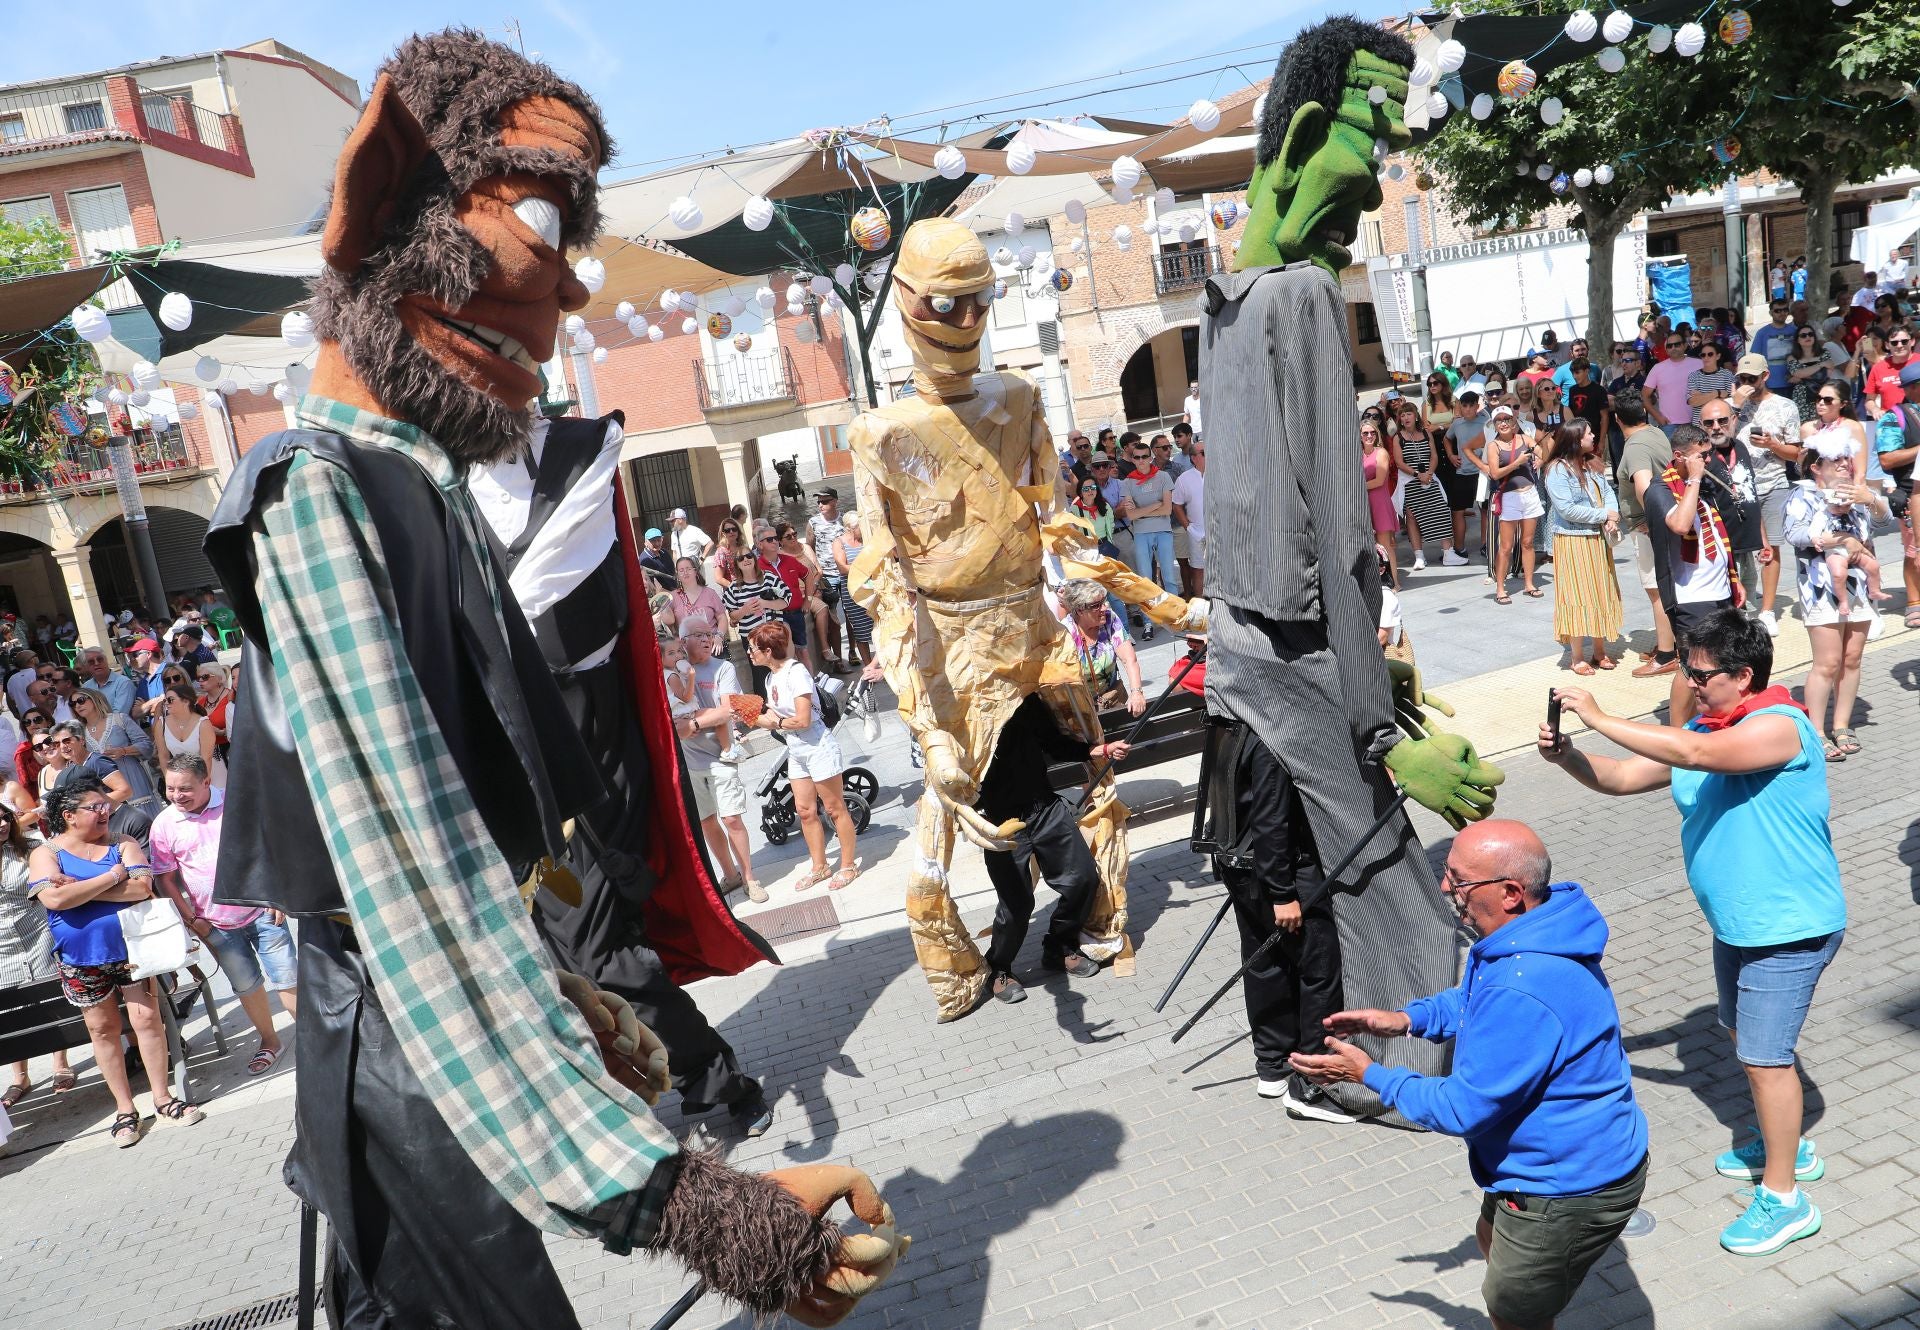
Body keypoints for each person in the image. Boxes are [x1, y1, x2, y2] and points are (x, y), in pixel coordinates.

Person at [202, 33, 905, 1325]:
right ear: (382, 211)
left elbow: (463, 835)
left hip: (428, 1044)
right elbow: (409, 885)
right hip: (396, 1062)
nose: (569, 292)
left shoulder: (425, 488)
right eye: (537, 222)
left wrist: (561, 992)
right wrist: (698, 1207)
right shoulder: (317, 492)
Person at [1543, 609, 1843, 1257]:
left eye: (1700, 673)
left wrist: (1598, 714)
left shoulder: (1778, 728)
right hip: (1738, 925)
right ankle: (1784, 1141)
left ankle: (1785, 1198)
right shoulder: (1712, 726)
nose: (1690, 682)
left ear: (1743, 675)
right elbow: (1624, 777)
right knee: (1747, 1041)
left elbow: (1697, 752)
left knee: (1765, 1060)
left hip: (1789, 927)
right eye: (1686, 667)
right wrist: (1569, 754)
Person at [1293, 819, 1648, 1321]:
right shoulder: (1536, 933)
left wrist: (1370, 1075)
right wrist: (1407, 1020)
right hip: (1541, 1166)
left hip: (1565, 1184)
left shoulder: (1525, 983)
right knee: (1489, 1237)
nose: (1445, 888)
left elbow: (1462, 1108)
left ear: (1509, 892)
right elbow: (1474, 1000)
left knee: (1512, 1312)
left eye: (1458, 880)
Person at [28, 775, 204, 1147]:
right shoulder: (47, 853)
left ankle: (163, 1098)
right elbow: (55, 901)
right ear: (69, 815)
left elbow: (142, 889)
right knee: (103, 1031)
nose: (106, 811)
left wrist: (76, 888)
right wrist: (112, 876)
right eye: (96, 807)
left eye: (106, 805)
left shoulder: (122, 842)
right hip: (80, 959)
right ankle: (125, 1110)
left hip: (132, 953)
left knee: (147, 1021)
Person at [1209, 719, 1355, 1123]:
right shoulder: (1273, 734)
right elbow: (1270, 820)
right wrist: (1283, 893)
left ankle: (1274, 1064)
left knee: (1266, 963)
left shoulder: (1236, 721)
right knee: (1319, 966)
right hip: (1276, 869)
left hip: (1240, 863)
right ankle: (1312, 1082)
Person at [150, 754, 298, 1077]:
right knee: (246, 985)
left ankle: (315, 1042)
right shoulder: (163, 824)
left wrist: (277, 892)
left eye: (185, 788)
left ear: (206, 782)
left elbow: (268, 845)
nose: (176, 796)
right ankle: (270, 1041)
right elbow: (164, 878)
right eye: (171, 788)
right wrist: (191, 919)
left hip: (262, 908)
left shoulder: (235, 802)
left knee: (288, 976)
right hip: (215, 923)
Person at [1784, 441, 1889, 758]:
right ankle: (1816, 731)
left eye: (1847, 458)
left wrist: (1871, 498)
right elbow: (1794, 533)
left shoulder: (1855, 495)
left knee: (1851, 658)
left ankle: (1842, 724)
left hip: (1858, 586)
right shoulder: (1802, 495)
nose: (1845, 463)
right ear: (1816, 467)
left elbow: (1882, 522)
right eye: (1836, 459)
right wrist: (1837, 539)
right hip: (1819, 587)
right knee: (1827, 662)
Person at [746, 622, 859, 892]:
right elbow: (775, 717)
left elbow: (803, 720)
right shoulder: (770, 677)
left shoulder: (795, 673)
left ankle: (848, 865)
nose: (750, 653)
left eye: (753, 649)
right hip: (797, 750)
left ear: (768, 651)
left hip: (818, 747)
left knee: (834, 808)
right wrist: (749, 716)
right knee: (805, 811)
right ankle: (820, 866)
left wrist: (775, 724)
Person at [1646, 424, 1740, 726]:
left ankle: (1716, 718)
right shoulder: (1659, 490)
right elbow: (1681, 525)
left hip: (1721, 591)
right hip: (1690, 596)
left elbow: (1716, 532)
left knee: (1723, 660)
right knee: (1691, 665)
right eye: (1700, 456)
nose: (1707, 461)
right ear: (1679, 456)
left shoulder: (1703, 486)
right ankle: (1677, 732)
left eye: (1708, 454)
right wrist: (1695, 479)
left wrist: (1732, 580)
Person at [677, 615, 761, 904]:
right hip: (690, 761)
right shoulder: (673, 672)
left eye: (709, 633)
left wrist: (693, 725)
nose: (705, 638)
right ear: (682, 641)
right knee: (707, 821)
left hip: (721, 756)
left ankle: (749, 877)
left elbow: (729, 711)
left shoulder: (722, 668)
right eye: (697, 634)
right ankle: (730, 874)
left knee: (732, 818)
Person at [0, 803, 75, 1104]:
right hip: (1, 940)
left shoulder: (32, 848)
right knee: (11, 1003)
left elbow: (54, 879)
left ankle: (61, 1063)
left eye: (4, 817)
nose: (2, 824)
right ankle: (20, 1076)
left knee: (53, 993)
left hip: (38, 928)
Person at [1543, 422, 1622, 674]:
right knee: (1576, 595)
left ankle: (1600, 651)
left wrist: (1612, 517)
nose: (1593, 435)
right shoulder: (1556, 470)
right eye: (1588, 433)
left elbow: (1608, 492)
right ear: (1576, 439)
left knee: (1601, 591)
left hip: (1597, 538)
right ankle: (1577, 657)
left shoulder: (1592, 463)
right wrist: (1603, 515)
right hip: (1572, 539)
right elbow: (1566, 509)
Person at [1614, 391, 1679, 678]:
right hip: (1666, 518)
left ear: (1618, 420)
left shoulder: (1635, 447)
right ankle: (1672, 643)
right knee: (1667, 586)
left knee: (1656, 590)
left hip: (1649, 526)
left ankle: (1666, 655)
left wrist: (1653, 522)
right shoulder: (1656, 433)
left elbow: (1642, 483)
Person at [1873, 359, 1920, 628]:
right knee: (1914, 548)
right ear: (1913, 388)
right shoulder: (1895, 417)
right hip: (1910, 491)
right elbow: (1888, 459)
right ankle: (1914, 601)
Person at [1058, 578, 1144, 716]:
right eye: (1096, 605)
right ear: (1080, 610)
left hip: (1113, 698)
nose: (1104, 608)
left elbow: (1129, 660)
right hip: (1082, 710)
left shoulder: (1110, 619)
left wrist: (1137, 692)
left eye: (1103, 602)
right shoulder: (1065, 632)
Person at [1119, 430, 1179, 622]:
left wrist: (1142, 511)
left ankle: (1176, 616)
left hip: (1163, 531)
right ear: (1133, 460)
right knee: (1145, 580)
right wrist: (1155, 504)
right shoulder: (1128, 482)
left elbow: (1167, 510)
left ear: (1151, 457)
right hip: (1141, 533)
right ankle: (1148, 621)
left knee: (1169, 577)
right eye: (1137, 457)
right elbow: (1130, 514)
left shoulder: (1163, 477)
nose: (1141, 460)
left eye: (1145, 456)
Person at [70, 686, 157, 817]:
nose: (77, 705)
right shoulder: (79, 733)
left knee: (145, 817)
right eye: (73, 703)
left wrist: (124, 750)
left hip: (131, 776)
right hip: (104, 786)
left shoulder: (120, 719)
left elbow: (146, 745)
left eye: (81, 700)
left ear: (94, 699)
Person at [1485, 408, 1542, 603]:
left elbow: (1544, 452)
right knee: (1506, 546)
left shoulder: (1525, 439)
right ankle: (1500, 588)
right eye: (1498, 420)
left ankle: (1529, 583)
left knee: (1527, 542)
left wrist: (1540, 461)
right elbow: (1495, 473)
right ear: (1494, 424)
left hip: (1530, 495)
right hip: (1509, 497)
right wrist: (1517, 462)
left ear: (1513, 421)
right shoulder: (1493, 446)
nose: (1503, 423)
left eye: (1506, 419)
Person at [721, 544, 790, 696]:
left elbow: (786, 601)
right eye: (741, 558)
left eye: (749, 556)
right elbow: (732, 616)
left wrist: (765, 603)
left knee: (781, 670)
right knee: (760, 675)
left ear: (754, 558)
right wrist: (745, 609)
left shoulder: (769, 578)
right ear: (736, 564)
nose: (745, 560)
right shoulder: (733, 588)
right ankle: (765, 709)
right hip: (751, 639)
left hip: (774, 635)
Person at [1393, 401, 1447, 575]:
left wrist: (1429, 473)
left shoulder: (1425, 433)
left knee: (1441, 509)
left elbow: (1434, 455)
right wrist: (1418, 475)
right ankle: (1419, 555)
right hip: (1410, 481)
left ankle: (1448, 552)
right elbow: (1399, 463)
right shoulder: (1398, 437)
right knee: (1412, 515)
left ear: (1415, 416)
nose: (1406, 417)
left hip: (1429, 478)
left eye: (1408, 414)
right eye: (1402, 415)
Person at [1441, 389, 1487, 564]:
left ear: (1477, 406)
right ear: (1460, 406)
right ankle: (1459, 548)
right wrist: (1451, 455)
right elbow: (1446, 439)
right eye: (1464, 405)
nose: (1467, 409)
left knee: (1485, 510)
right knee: (1457, 511)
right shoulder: (1457, 424)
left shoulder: (1486, 422)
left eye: (1471, 405)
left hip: (1482, 473)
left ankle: (1485, 545)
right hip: (1462, 473)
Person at [767, 525, 818, 672]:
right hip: (777, 616)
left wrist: (808, 600)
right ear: (760, 544)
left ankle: (812, 689)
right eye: (770, 539)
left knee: (803, 652)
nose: (774, 542)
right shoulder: (759, 566)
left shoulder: (788, 560)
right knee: (786, 656)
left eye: (775, 539)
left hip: (796, 613)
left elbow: (808, 575)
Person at [152, 683, 219, 785]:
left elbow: (207, 757)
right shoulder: (161, 725)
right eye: (165, 700)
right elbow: (163, 756)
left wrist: (203, 783)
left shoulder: (203, 723)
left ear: (186, 701)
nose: (166, 703)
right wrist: (171, 783)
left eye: (170, 700)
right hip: (182, 779)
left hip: (210, 774)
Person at [1362, 417, 1402, 588]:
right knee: (1369, 546)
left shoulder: (1381, 453)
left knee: (1385, 546)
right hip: (1364, 504)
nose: (1369, 436)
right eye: (1365, 433)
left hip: (1379, 502)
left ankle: (1395, 583)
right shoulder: (1357, 453)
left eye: (1372, 432)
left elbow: (1379, 480)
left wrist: (1356, 487)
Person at [830, 514, 874, 666]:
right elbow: (842, 568)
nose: (864, 529)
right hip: (853, 593)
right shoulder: (839, 543)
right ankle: (868, 666)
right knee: (860, 628)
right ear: (850, 528)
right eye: (860, 526)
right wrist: (866, 569)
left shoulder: (866, 538)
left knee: (879, 625)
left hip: (873, 589)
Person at [1171, 434, 1208, 595]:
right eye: (1204, 453)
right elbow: (1176, 505)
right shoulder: (1184, 479)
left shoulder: (1220, 474)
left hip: (1220, 530)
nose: (1209, 455)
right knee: (1198, 570)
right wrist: (1188, 527)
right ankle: (1201, 608)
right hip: (1197, 533)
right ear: (1194, 458)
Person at [1645, 333, 1700, 435]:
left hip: (1697, 422)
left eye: (1677, 344)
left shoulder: (1699, 364)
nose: (1673, 348)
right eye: (1670, 346)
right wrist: (1658, 417)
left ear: (1685, 345)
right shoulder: (1657, 368)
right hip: (1669, 425)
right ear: (1666, 349)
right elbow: (1644, 396)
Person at [662, 556, 726, 639]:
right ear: (677, 575)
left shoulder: (710, 593)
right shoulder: (672, 597)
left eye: (688, 569)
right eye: (681, 570)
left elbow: (722, 617)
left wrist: (719, 637)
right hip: (688, 648)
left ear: (695, 572)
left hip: (712, 643)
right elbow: (669, 622)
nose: (685, 572)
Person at [1864, 325, 1914, 415]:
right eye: (1894, 343)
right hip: (1891, 423)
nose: (1899, 345)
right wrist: (1875, 410)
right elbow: (1869, 400)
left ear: (1912, 342)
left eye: (1904, 341)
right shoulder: (1878, 368)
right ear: (1887, 345)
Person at [1751, 299, 1797, 393]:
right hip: (1769, 384)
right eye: (1777, 311)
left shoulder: (1795, 331)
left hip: (1793, 383)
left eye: (1785, 310)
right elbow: (1755, 359)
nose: (1782, 313)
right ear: (1771, 312)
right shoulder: (1762, 333)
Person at [77, 646, 136, 717]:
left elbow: (119, 716)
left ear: (106, 661)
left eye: (100, 659)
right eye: (91, 662)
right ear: (86, 666)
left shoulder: (123, 683)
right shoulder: (86, 687)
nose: (96, 663)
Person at [1686, 341, 1735, 424]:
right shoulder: (1693, 376)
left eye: (1710, 354)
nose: (1706, 357)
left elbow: (1731, 402)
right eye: (1703, 355)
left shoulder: (1727, 375)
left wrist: (1702, 397)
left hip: (1722, 424)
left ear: (1718, 356)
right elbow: (1693, 402)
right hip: (1699, 426)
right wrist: (1717, 393)